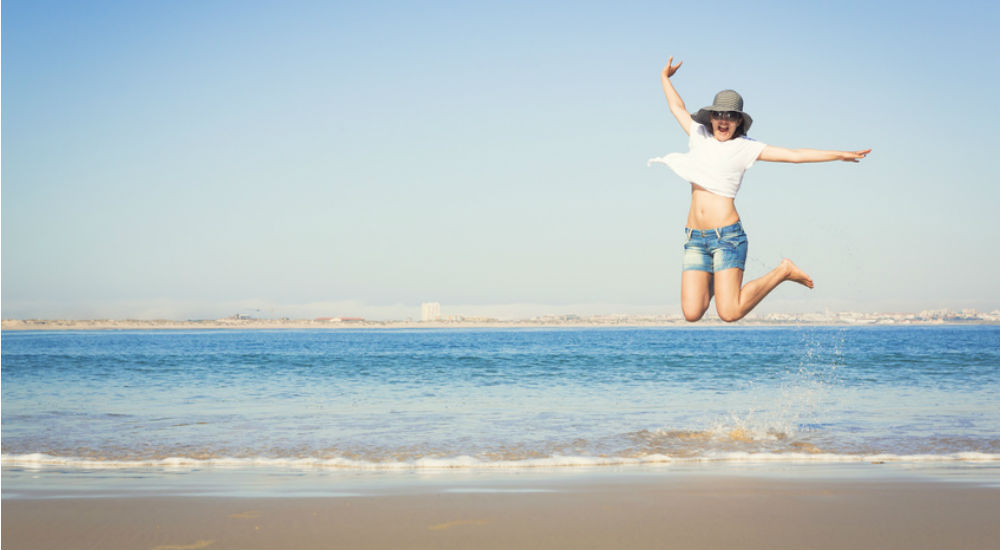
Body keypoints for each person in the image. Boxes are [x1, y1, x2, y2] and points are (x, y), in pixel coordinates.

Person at [649, 57, 870, 322]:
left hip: (726, 238)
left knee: (729, 312)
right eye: (718, 114)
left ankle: (783, 270)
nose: (723, 120)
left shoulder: (746, 147)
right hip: (695, 238)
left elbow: (794, 155)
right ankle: (721, 281)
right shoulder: (699, 135)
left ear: (738, 122)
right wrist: (664, 77)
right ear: (711, 117)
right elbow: (677, 107)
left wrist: (839, 155)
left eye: (730, 116)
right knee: (692, 312)